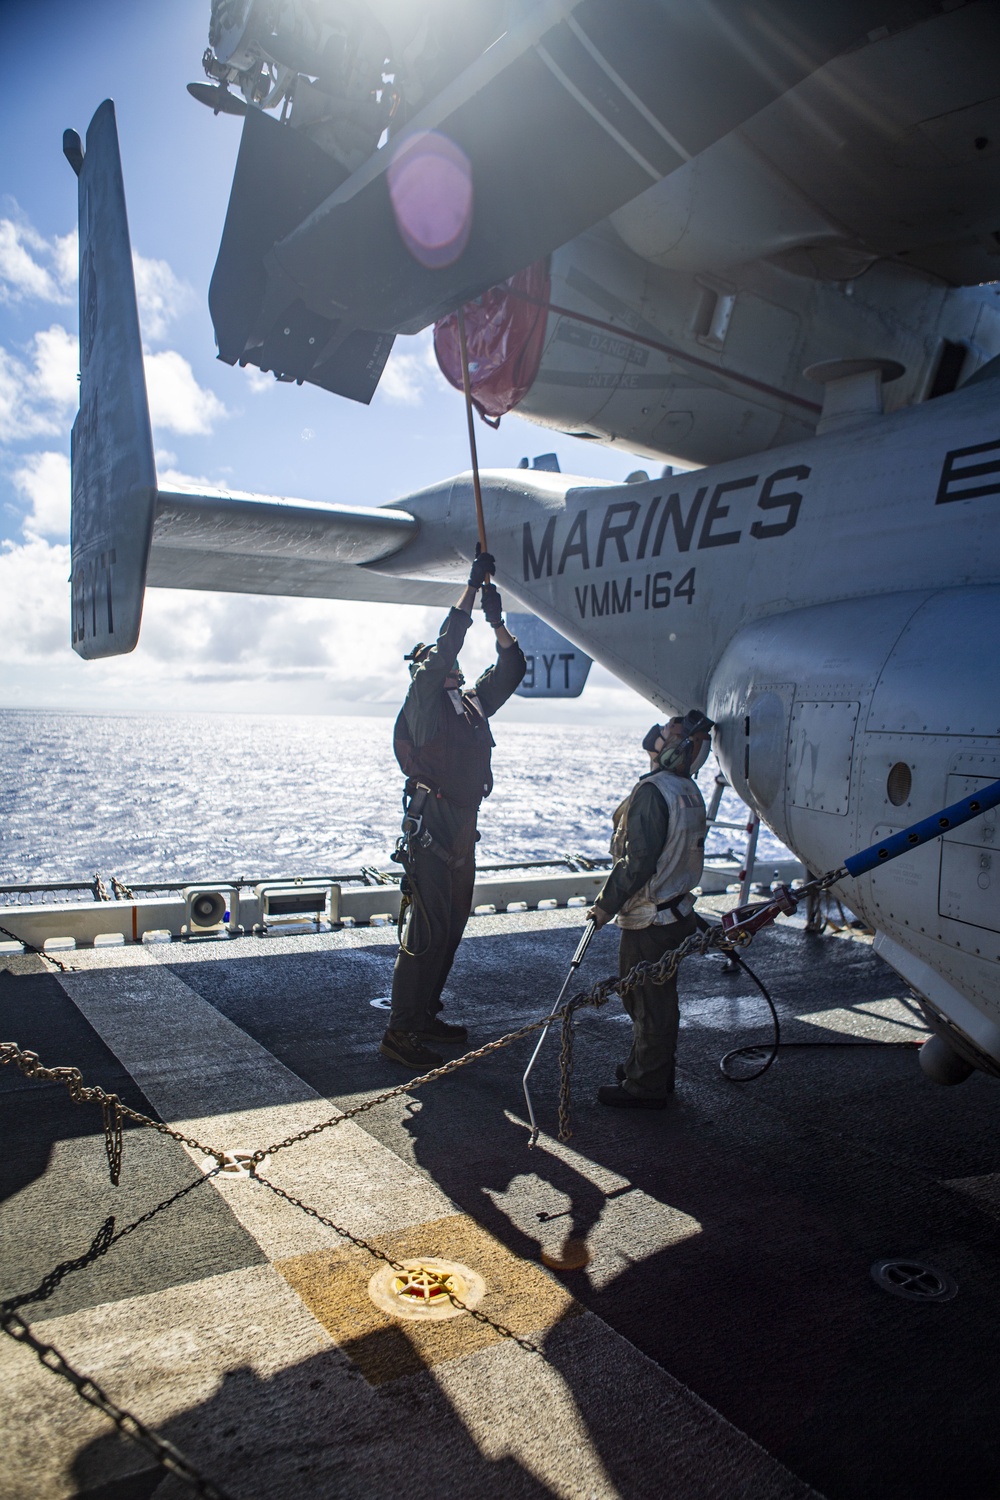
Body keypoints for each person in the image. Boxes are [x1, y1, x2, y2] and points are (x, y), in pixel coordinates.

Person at [380, 548, 526, 1069]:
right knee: (427, 930)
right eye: (437, 661)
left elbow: (513, 667)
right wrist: (470, 589)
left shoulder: (470, 704)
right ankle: (400, 1031)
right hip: (431, 829)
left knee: (451, 927)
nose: (446, 664)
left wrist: (497, 621)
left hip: (463, 828)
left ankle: (423, 1015)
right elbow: (445, 648)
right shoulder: (422, 699)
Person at [586, 714, 711, 1108]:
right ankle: (649, 1067)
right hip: (677, 912)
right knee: (653, 1000)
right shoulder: (687, 789)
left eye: (668, 733)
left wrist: (605, 906)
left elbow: (636, 863)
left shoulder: (653, 792)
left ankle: (646, 1086)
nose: (660, 732)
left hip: (650, 918)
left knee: (646, 1002)